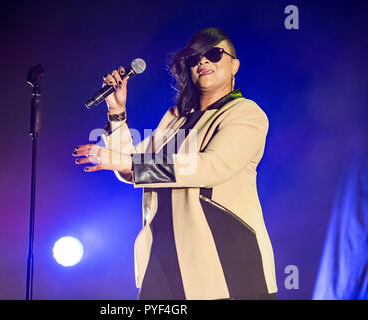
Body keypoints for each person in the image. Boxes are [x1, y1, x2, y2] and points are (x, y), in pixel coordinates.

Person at [73, 27, 278, 300]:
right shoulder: (176, 120)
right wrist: (116, 111)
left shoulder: (245, 113)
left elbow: (211, 166)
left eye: (214, 54)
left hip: (225, 262)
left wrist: (125, 161)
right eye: (194, 58)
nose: (203, 62)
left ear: (234, 65)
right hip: (165, 261)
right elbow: (131, 169)